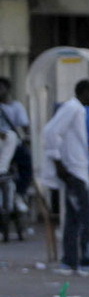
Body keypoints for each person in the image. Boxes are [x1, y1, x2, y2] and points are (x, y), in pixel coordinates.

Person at [42, 80, 89, 277]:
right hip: (75, 171)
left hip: (75, 168)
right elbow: (51, 132)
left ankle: (70, 261)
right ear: (85, 92)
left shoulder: (75, 109)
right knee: (87, 219)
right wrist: (58, 161)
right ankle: (87, 261)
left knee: (72, 219)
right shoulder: (74, 108)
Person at [0, 76, 32, 207]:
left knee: (27, 162)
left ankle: (20, 192)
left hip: (13, 144)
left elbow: (25, 126)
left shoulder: (16, 106)